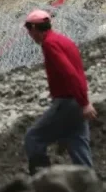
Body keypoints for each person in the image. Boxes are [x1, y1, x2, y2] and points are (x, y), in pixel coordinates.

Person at [23, 10, 95, 174]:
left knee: (33, 138)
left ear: (34, 28)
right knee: (78, 143)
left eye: (29, 30)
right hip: (77, 100)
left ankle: (42, 180)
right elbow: (78, 72)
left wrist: (84, 103)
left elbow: (70, 74)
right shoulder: (63, 40)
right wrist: (83, 99)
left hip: (67, 102)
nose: (29, 35)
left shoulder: (50, 44)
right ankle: (89, 183)